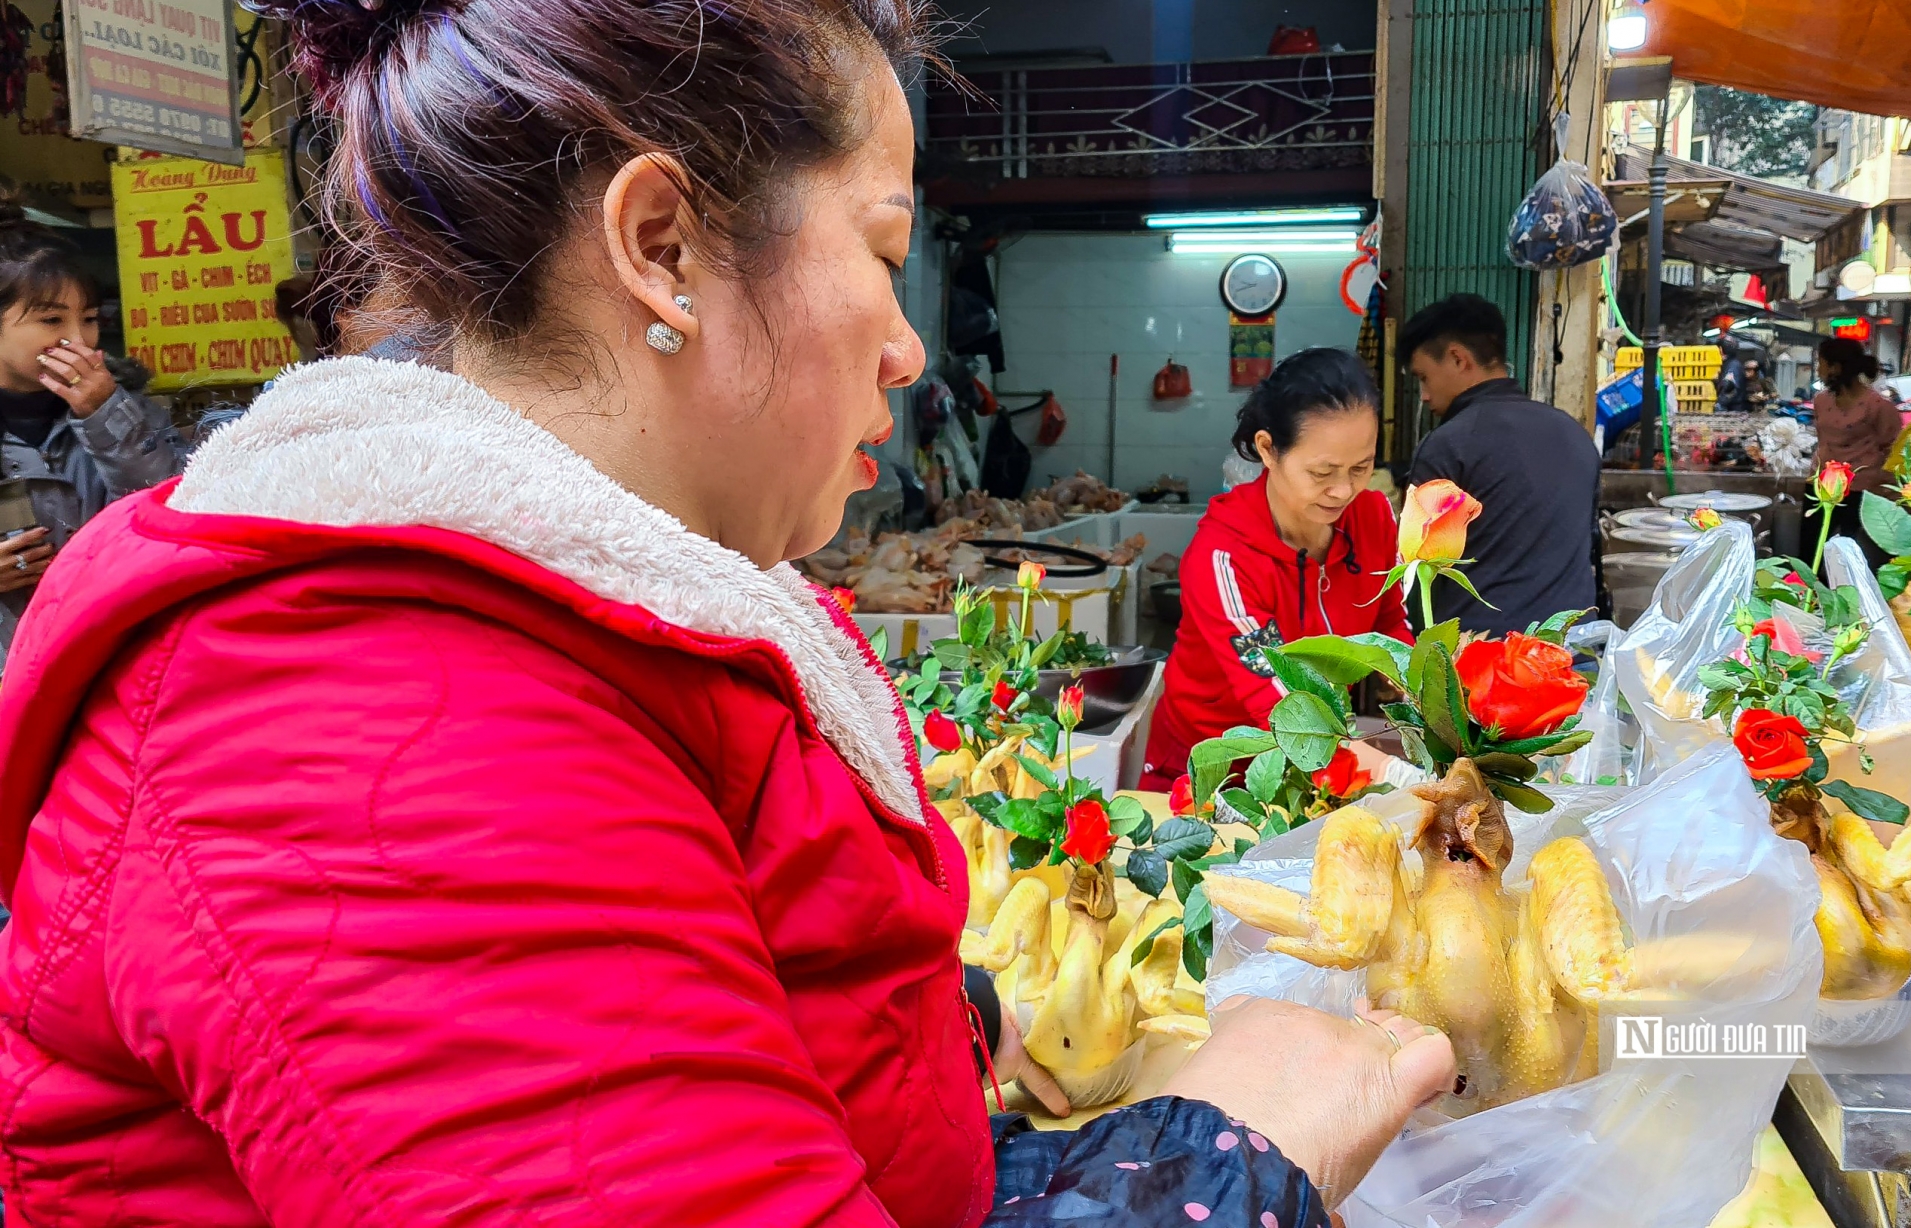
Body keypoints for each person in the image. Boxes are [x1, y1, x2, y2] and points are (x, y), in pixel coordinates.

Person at [0, 3, 1454, 1226]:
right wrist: (1230, 1150)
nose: (905, 347)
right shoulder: (357, 723)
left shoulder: (558, 640)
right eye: (887, 255)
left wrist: (929, 1026)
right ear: (662, 247)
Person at [1145, 348, 1412, 789]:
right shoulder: (1224, 559)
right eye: (1322, 472)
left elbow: (1389, 629)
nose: (1343, 490)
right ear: (1269, 450)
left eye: (1361, 467)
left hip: (1322, 763)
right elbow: (1276, 703)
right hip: (1212, 776)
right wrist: (1392, 773)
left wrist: (1431, 700)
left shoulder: (1373, 517)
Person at [0, 204, 186, 665]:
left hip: (113, 662)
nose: (78, 342)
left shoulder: (130, 410)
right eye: (51, 321)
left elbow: (177, 514)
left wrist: (106, 417)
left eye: (87, 319)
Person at [1401, 293, 1599, 634]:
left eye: (1423, 377)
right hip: (1570, 654)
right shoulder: (1573, 432)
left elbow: (1418, 571)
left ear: (1457, 358)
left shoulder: (1448, 445)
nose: (1425, 395)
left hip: (1484, 662)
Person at [1812, 337, 1903, 563]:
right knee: (1811, 553)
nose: (1818, 369)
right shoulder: (1821, 401)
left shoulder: (1880, 408)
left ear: (1836, 367)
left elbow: (1893, 450)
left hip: (1863, 493)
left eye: (1821, 363)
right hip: (1823, 486)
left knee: (1854, 559)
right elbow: (1823, 442)